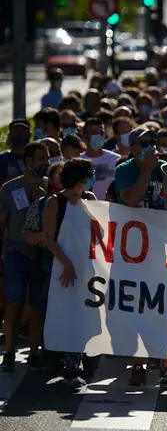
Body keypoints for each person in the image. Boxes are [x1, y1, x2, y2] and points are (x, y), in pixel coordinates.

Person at [114, 127, 167, 386]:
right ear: (132, 148)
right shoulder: (124, 170)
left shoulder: (165, 168)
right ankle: (138, 364)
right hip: (133, 252)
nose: (150, 147)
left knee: (164, 307)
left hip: (160, 251)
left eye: (152, 142)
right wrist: (146, 171)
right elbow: (131, 201)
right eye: (144, 143)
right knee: (138, 308)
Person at [31, 159, 96, 390]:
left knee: (83, 313)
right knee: (65, 312)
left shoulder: (90, 199)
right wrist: (66, 264)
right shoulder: (54, 202)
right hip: (60, 267)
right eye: (89, 175)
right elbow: (50, 239)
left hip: (86, 267)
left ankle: (78, 359)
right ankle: (68, 364)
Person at [0, 141, 50, 371]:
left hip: (40, 255)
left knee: (37, 306)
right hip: (16, 253)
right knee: (15, 303)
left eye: (47, 158)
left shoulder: (50, 186)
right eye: (41, 158)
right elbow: (2, 223)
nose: (45, 163)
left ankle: (34, 353)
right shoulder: (10, 189)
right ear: (29, 161)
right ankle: (9, 353)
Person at [79, 118, 121, 200]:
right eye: (94, 132)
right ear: (84, 135)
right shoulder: (78, 161)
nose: (99, 136)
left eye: (101, 133)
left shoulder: (116, 159)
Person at [0, 119, 32, 184]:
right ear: (9, 135)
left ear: (29, 135)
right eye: (16, 131)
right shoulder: (2, 159)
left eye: (23, 131)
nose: (20, 135)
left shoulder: (35, 156)